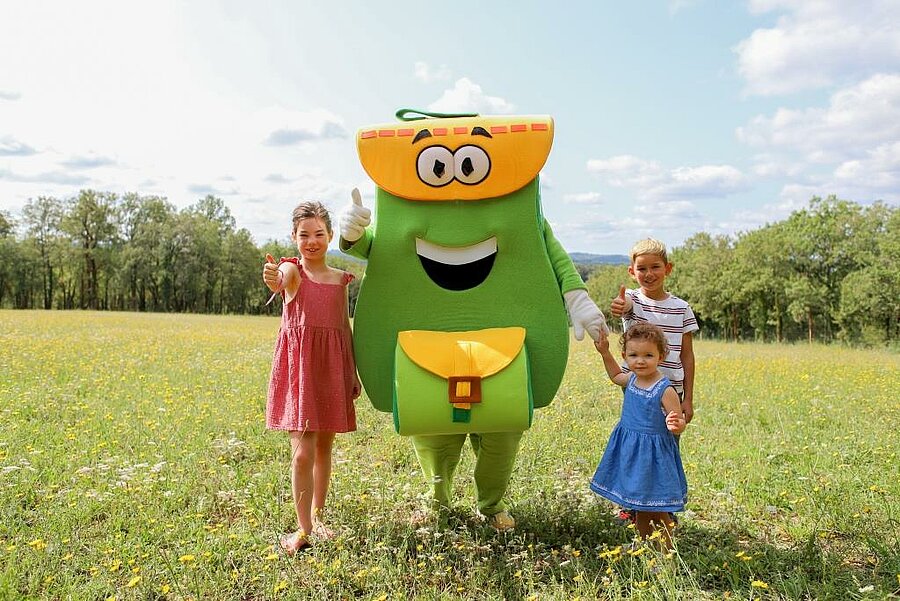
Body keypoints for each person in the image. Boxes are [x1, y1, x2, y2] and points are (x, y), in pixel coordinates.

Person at [263, 201, 360, 555]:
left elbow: (343, 331)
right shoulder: (292, 273)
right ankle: (302, 529)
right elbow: (279, 279)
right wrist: (273, 276)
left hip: (330, 370)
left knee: (323, 449)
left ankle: (318, 518)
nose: (312, 241)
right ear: (294, 237)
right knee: (302, 453)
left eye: (319, 234)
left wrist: (351, 373)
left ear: (330, 236)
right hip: (300, 373)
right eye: (304, 235)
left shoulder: (340, 281)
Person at [609, 238, 698, 524]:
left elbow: (687, 355)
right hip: (638, 390)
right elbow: (624, 305)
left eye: (655, 267)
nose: (649, 273)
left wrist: (688, 398)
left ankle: (664, 504)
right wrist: (620, 304)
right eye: (642, 268)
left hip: (672, 390)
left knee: (666, 446)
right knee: (636, 446)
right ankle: (634, 504)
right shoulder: (634, 301)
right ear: (631, 272)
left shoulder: (681, 308)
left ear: (668, 268)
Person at [591, 323, 687, 549]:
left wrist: (677, 425)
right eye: (633, 355)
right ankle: (645, 544)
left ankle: (666, 551)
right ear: (625, 356)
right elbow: (615, 375)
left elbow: (679, 420)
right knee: (640, 504)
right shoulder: (631, 379)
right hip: (631, 450)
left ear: (661, 357)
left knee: (656, 507)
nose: (640, 361)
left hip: (652, 457)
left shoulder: (665, 389)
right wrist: (605, 352)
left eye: (648, 355)